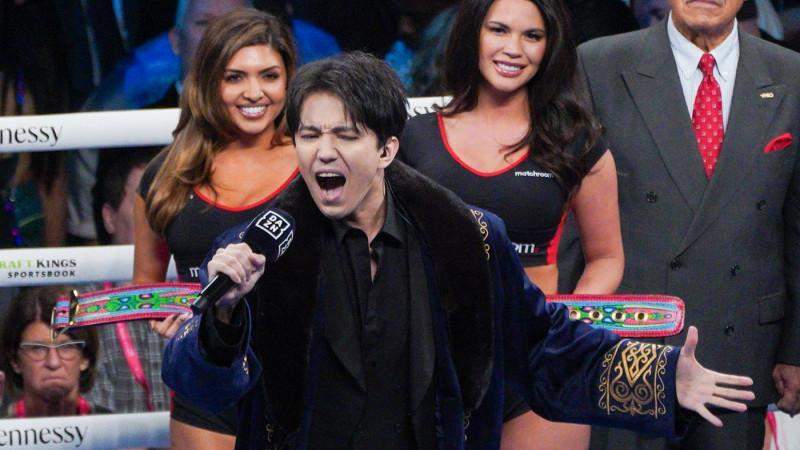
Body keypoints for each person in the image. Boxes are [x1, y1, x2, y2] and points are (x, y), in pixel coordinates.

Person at [162, 51, 755, 450]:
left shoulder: (469, 241)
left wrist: (659, 379)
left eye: (345, 135)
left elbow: (542, 346)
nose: (323, 152)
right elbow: (199, 384)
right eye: (310, 135)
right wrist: (221, 319)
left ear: (387, 149)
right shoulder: (256, 251)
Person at [558, 0, 800, 448]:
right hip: (628, 346)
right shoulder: (598, 64)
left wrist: (795, 349)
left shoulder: (791, 74)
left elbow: (797, 226)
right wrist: (566, 336)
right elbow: (571, 218)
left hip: (740, 349)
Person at [401, 1, 622, 446]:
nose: (513, 48)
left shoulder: (576, 142)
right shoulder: (413, 136)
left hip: (537, 363)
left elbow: (606, 258)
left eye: (532, 36)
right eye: (499, 30)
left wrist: (567, 330)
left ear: (550, 47)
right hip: (431, 358)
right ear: (473, 35)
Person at [133, 8, 298, 450]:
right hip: (206, 383)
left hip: (300, 382)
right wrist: (166, 317)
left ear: (288, 81)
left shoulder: (316, 162)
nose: (254, 92)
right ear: (209, 82)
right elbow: (146, 284)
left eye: (269, 76)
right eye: (235, 77)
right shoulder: (166, 174)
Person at [83, 146, 171, 414]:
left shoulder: (197, 293)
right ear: (109, 218)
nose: (157, 215)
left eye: (165, 201)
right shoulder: (84, 308)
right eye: (143, 203)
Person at [0, 286, 106, 418]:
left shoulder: (118, 427)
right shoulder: (4, 428)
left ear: (85, 357)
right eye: (37, 348)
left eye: (66, 347)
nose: (53, 363)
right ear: (15, 361)